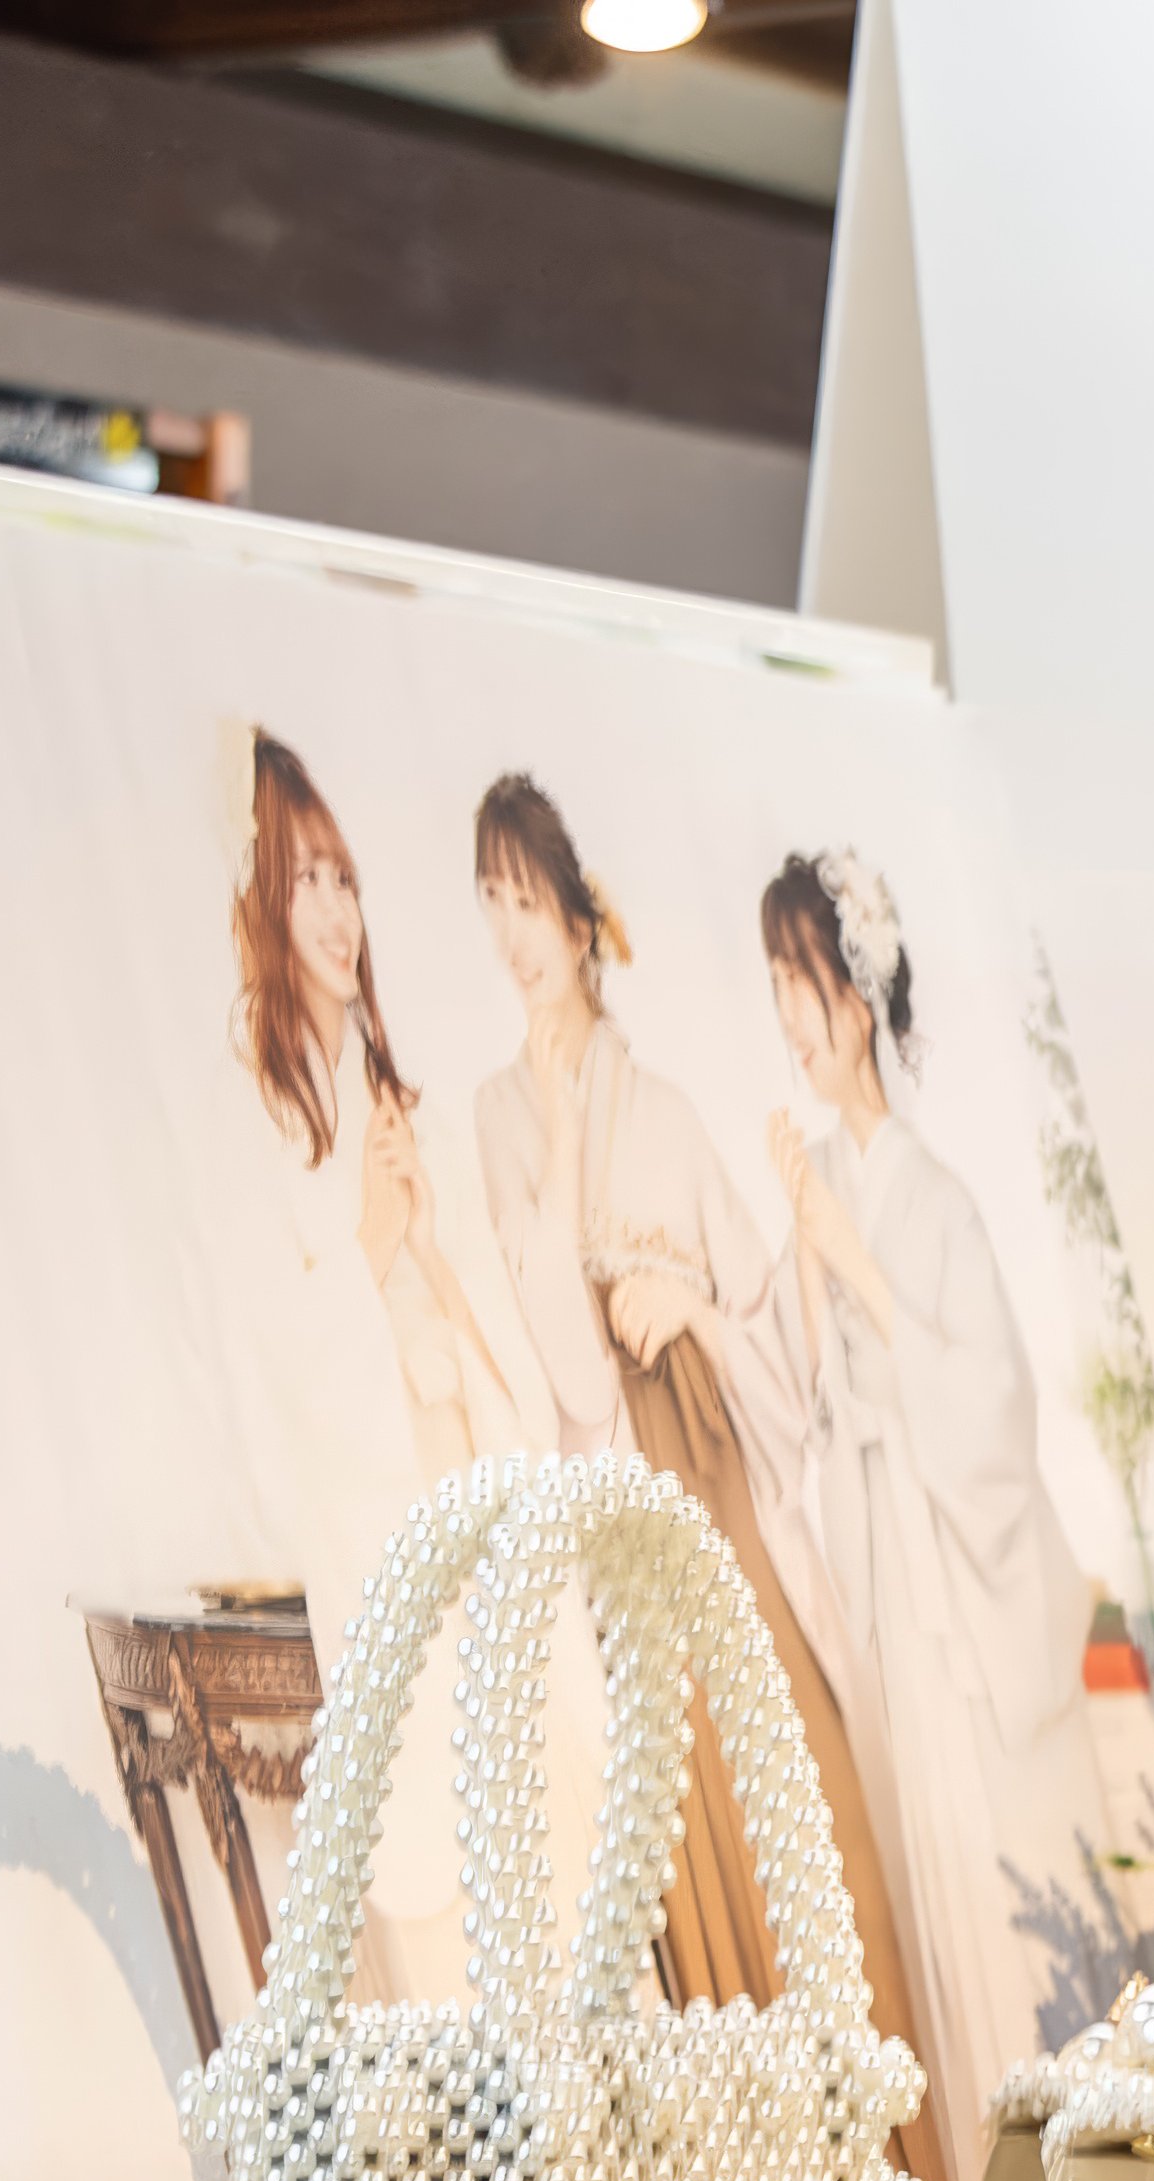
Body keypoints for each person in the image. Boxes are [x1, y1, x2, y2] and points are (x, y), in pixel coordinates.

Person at [462, 773, 929, 2066]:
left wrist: (698, 1304)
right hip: (628, 1511)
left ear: (573, 912)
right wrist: (559, 1136)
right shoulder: (503, 1116)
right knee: (696, 1839)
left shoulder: (661, 1107)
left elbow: (776, 1347)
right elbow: (562, 1364)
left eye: (525, 898)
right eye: (488, 902)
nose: (509, 933)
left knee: (812, 1812)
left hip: (720, 1478)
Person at [759, 848, 1106, 2181]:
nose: (786, 1012)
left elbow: (989, 1412)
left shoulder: (931, 1196)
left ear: (856, 996)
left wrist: (849, 1261)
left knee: (990, 1885)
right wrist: (806, 1251)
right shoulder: (835, 1186)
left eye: (799, 979)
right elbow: (811, 1395)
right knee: (921, 1882)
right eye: (774, 982)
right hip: (887, 1580)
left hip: (953, 1591)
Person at [232, 733, 552, 1482]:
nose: (339, 911)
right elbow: (269, 1369)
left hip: (473, 1514)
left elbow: (521, 1397)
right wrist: (377, 1235)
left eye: (345, 881)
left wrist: (428, 1243)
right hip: (371, 1517)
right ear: (257, 896)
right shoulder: (248, 1113)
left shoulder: (413, 1121)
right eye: (306, 878)